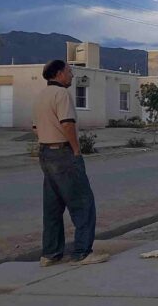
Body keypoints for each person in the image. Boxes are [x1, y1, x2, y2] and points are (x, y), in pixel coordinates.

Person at [32, 59, 109, 267]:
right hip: (63, 153)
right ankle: (82, 252)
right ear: (58, 73)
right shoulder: (61, 94)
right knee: (83, 203)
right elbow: (67, 124)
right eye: (69, 71)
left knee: (53, 206)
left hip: (45, 152)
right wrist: (75, 150)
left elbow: (35, 128)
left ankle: (50, 253)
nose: (72, 75)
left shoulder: (41, 96)